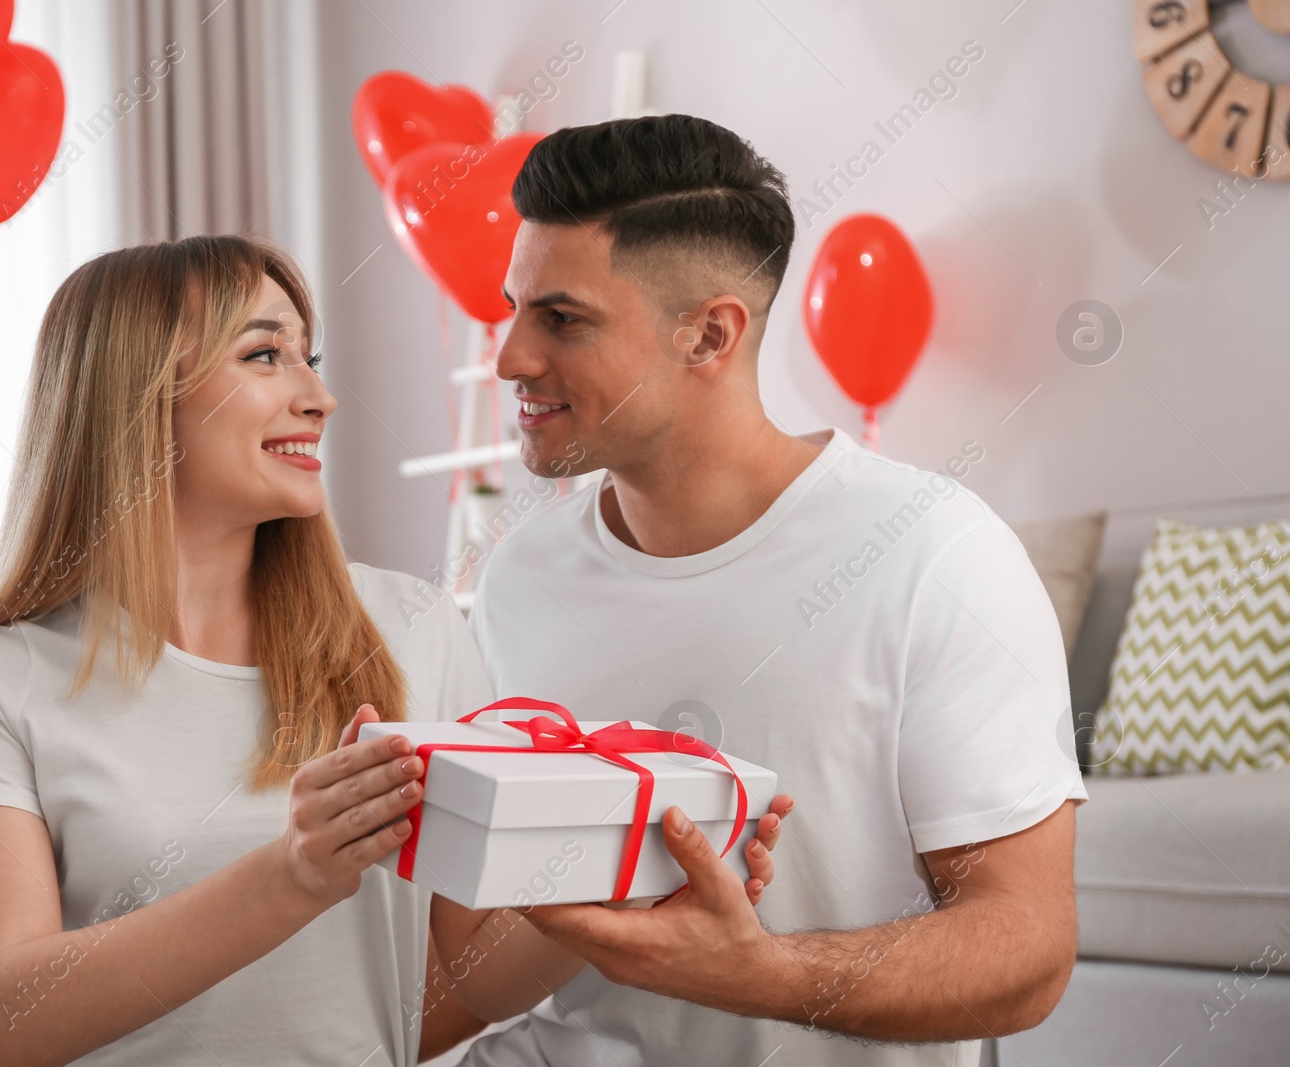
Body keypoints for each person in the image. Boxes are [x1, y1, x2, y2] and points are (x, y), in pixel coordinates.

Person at [434, 115, 1088, 1067]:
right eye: (513, 307)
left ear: (709, 333)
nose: (509, 358)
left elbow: (1027, 950)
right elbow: (486, 953)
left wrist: (757, 971)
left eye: (561, 318)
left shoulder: (936, 554)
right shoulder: (519, 578)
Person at [0, 234, 511, 1065]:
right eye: (265, 354)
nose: (321, 396)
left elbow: (442, 991)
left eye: (310, 356)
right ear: (138, 396)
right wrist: (290, 875)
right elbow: (13, 1022)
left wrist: (622, 889)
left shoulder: (415, 624)